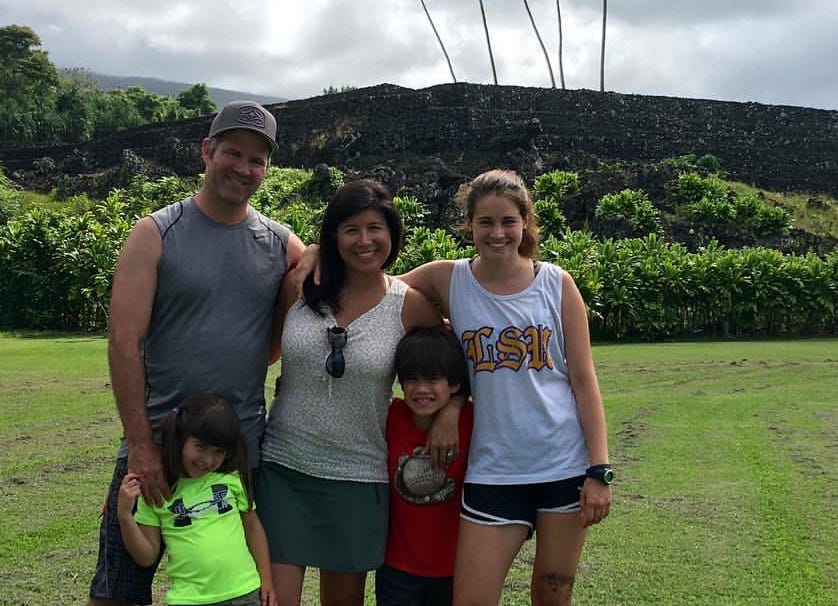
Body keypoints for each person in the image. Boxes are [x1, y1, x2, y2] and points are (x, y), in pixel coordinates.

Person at [287, 168, 612, 605]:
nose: (497, 233)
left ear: (526, 224)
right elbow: (376, 284)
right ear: (469, 225)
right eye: (486, 222)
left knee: (553, 589)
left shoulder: (556, 284)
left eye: (508, 222)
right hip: (493, 467)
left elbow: (583, 380)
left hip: (562, 463)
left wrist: (598, 468)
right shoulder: (448, 278)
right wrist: (316, 253)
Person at [90, 100, 305, 606]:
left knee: (235, 585)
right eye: (233, 153)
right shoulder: (156, 232)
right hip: (159, 442)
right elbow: (123, 341)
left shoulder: (277, 242)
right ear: (207, 151)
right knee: (119, 585)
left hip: (236, 453)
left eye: (257, 160)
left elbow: (353, 277)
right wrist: (142, 446)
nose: (244, 169)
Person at [255, 179, 453, 606]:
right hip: (285, 469)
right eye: (351, 229)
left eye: (374, 228)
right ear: (333, 236)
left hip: (358, 478)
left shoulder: (409, 304)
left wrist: (453, 410)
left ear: (392, 236)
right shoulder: (300, 286)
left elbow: (451, 367)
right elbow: (265, 353)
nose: (364, 241)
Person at [117, 394, 276, 606]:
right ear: (180, 438)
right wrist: (124, 516)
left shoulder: (230, 479)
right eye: (201, 447)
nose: (208, 460)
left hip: (244, 593)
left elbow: (252, 526)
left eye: (219, 452)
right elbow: (147, 556)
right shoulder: (158, 491)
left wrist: (266, 579)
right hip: (189, 599)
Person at [377, 325, 474, 606]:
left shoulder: (472, 421)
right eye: (411, 379)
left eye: (433, 379)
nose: (421, 389)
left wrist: (454, 410)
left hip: (455, 567)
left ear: (455, 384)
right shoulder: (390, 416)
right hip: (397, 567)